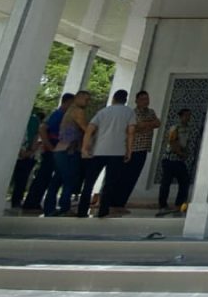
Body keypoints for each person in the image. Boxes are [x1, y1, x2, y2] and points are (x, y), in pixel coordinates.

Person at [78, 89, 137, 218]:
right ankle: (103, 211)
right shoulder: (129, 112)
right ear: (125, 99)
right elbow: (131, 132)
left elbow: (89, 130)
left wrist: (85, 148)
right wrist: (129, 150)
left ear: (113, 98)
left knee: (89, 182)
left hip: (98, 151)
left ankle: (82, 211)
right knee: (109, 183)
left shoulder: (103, 112)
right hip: (117, 152)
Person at [21, 93, 74, 213]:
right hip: (52, 150)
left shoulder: (62, 115)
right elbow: (42, 128)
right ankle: (31, 203)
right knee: (44, 176)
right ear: (67, 102)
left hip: (55, 150)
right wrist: (49, 146)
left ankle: (34, 203)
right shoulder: (58, 114)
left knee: (47, 177)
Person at [44, 90, 90, 217]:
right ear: (78, 98)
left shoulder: (69, 111)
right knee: (69, 179)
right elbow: (86, 128)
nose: (87, 102)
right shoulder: (77, 111)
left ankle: (49, 208)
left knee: (57, 180)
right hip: (68, 150)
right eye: (86, 99)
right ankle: (64, 207)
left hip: (61, 150)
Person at [116, 90, 160, 208]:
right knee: (125, 176)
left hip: (143, 148)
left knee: (134, 177)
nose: (146, 101)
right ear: (137, 101)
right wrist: (148, 124)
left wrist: (144, 125)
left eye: (147, 99)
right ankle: (115, 202)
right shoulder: (133, 113)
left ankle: (121, 203)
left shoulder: (151, 112)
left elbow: (157, 123)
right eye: (143, 99)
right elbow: (135, 127)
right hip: (132, 148)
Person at [158, 108, 194, 213]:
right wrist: (180, 153)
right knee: (166, 183)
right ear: (181, 116)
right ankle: (162, 204)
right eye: (186, 115)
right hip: (170, 159)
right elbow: (172, 142)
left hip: (180, 160)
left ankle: (179, 204)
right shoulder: (175, 128)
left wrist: (185, 153)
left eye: (189, 115)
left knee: (184, 181)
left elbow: (187, 143)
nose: (188, 117)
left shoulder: (188, 129)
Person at [9, 109, 42, 210]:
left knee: (21, 180)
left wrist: (30, 151)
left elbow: (37, 136)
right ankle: (15, 201)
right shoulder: (32, 120)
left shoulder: (33, 120)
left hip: (27, 154)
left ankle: (16, 201)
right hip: (22, 153)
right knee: (20, 180)